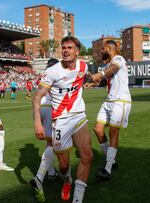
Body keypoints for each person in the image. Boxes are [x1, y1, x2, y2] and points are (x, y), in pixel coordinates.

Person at [32, 36, 93, 203]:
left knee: (87, 156)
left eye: (70, 48)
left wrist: (92, 80)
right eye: (64, 48)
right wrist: (37, 122)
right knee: (64, 165)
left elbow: (84, 76)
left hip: (79, 116)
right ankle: (67, 180)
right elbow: (37, 97)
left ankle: (77, 199)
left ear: (77, 51)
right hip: (60, 121)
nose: (66, 51)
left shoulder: (83, 65)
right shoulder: (52, 72)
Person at [85, 40, 132, 180]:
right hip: (109, 101)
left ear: (110, 49)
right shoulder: (108, 64)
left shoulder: (118, 59)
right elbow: (107, 80)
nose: (100, 51)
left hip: (120, 101)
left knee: (113, 131)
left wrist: (99, 74)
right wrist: (93, 83)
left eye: (102, 49)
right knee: (98, 130)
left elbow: (112, 70)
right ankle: (112, 161)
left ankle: (108, 168)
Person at [30, 58, 60, 202]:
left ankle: (52, 172)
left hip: (40, 109)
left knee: (49, 141)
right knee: (53, 144)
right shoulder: (55, 73)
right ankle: (39, 178)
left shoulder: (44, 74)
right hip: (50, 108)